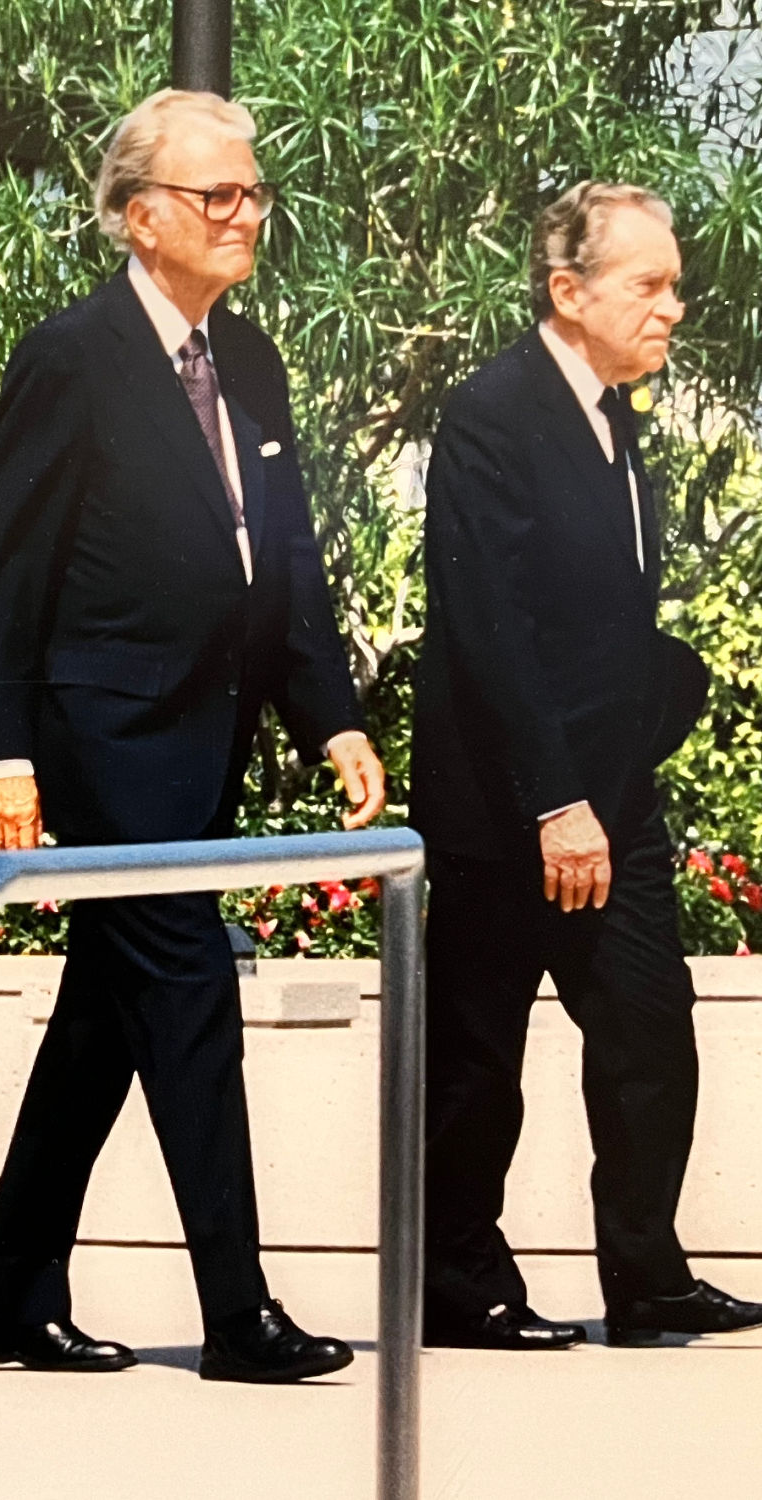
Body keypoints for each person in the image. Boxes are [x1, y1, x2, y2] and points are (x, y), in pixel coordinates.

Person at [0, 89, 386, 1379]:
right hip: (106, 734)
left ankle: (5, 1296)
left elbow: (280, 560)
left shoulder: (244, 357)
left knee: (107, 1016)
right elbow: (2, 568)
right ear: (140, 218)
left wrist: (332, 720)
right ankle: (234, 1312)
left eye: (253, 192)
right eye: (218, 195)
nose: (245, 212)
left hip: (208, 737)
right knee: (189, 995)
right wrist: (5, 752)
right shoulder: (70, 358)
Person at [412, 181, 762, 1349]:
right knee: (475, 1064)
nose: (673, 307)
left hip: (612, 801)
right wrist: (556, 800)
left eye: (673, 285)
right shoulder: (490, 416)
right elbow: (490, 626)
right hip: (509, 809)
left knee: (650, 1038)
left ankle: (647, 1277)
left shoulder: (614, 420)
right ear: (566, 293)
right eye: (647, 285)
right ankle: (458, 1288)